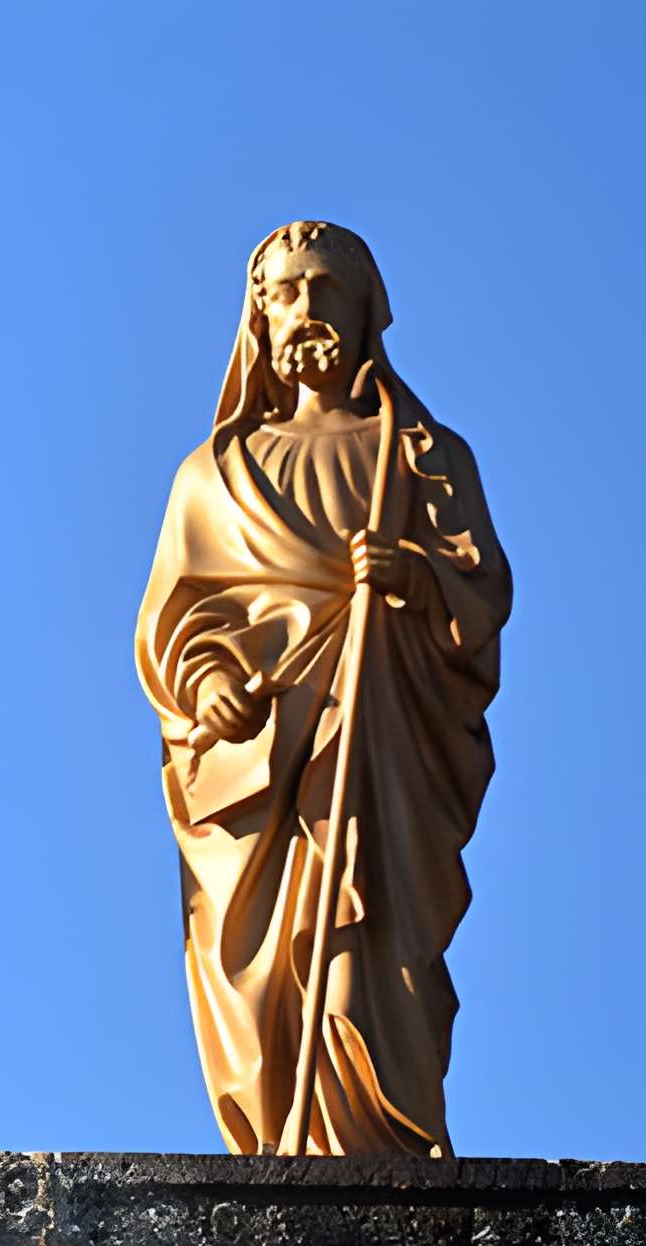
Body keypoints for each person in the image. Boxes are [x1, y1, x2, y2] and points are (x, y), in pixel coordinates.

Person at [134, 221, 508, 1155]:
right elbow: (180, 624)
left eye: (325, 289)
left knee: (373, 963)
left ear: (365, 307)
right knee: (270, 974)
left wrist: (415, 580)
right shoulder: (212, 475)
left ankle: (375, 1149)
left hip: (379, 751)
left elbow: (479, 600)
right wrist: (211, 680)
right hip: (265, 763)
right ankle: (283, 1151)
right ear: (258, 316)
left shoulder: (424, 458)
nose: (306, 310)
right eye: (286, 292)